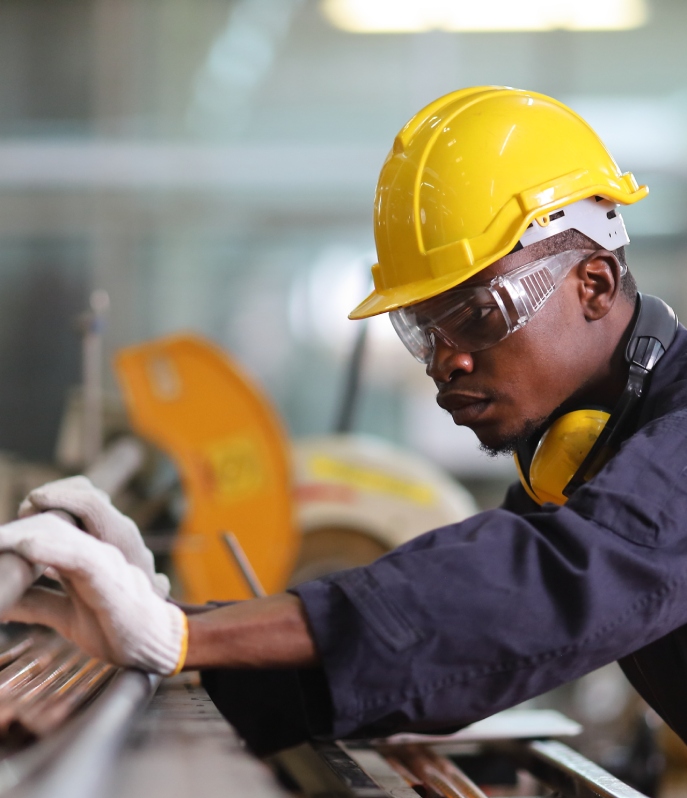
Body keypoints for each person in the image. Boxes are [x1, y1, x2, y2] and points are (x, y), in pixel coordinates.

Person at [3, 85, 687, 756]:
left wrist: (182, 638)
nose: (444, 362)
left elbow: (543, 585)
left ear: (592, 284)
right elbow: (457, 636)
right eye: (423, 331)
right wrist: (159, 620)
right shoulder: (585, 459)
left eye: (479, 315)